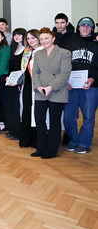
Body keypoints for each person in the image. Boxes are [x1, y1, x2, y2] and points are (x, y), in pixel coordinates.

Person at [31, 27, 72, 159]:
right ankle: (41, 148)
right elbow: (35, 73)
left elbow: (64, 74)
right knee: (39, 119)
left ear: (53, 38)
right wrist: (38, 87)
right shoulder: (38, 54)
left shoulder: (64, 53)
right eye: (41, 39)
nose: (44, 41)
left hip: (57, 91)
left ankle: (51, 151)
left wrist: (50, 87)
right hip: (40, 92)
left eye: (46, 38)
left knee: (55, 122)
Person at [63, 17, 98, 154]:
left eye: (88, 26)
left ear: (92, 28)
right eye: (83, 25)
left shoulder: (96, 44)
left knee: (88, 116)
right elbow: (63, 63)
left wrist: (93, 78)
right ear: (78, 27)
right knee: (69, 116)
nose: (85, 28)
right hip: (71, 85)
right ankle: (73, 141)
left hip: (90, 86)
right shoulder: (69, 42)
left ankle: (84, 143)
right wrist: (64, 79)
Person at [19, 30, 41, 149]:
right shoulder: (27, 51)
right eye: (28, 38)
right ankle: (26, 139)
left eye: (33, 38)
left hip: (38, 85)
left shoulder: (43, 51)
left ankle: (36, 140)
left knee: (36, 112)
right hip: (27, 85)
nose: (30, 40)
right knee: (26, 110)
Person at [4, 28, 27, 140]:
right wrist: (8, 77)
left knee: (19, 107)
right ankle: (12, 129)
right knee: (11, 106)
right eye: (15, 35)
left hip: (20, 83)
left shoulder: (26, 51)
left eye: (19, 35)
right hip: (11, 82)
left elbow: (25, 69)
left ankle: (18, 132)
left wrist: (20, 82)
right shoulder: (13, 49)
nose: (17, 37)